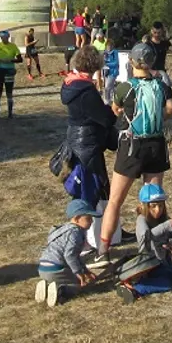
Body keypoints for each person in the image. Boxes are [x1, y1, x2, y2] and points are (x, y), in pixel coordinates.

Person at [95, 42, 172, 264]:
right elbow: (170, 109)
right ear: (152, 62)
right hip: (156, 145)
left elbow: (115, 109)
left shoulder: (125, 87)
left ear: (131, 62)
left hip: (131, 146)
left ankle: (103, 250)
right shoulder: (162, 85)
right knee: (154, 200)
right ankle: (158, 247)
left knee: (115, 201)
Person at [61, 47, 117, 252]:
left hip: (76, 139)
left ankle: (109, 230)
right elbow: (104, 118)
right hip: (87, 143)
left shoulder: (71, 84)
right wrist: (113, 111)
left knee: (93, 187)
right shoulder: (86, 90)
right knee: (90, 190)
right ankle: (84, 238)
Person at [115, 184, 172, 303]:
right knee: (171, 284)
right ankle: (135, 288)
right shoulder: (142, 220)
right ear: (144, 206)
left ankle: (143, 285)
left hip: (165, 264)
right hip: (150, 266)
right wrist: (167, 225)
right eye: (153, 206)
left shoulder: (165, 220)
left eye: (160, 205)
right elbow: (147, 236)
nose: (158, 210)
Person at [35, 199, 100, 308]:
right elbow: (70, 255)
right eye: (88, 218)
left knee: (64, 279)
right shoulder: (75, 233)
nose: (92, 221)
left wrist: (86, 271)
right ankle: (61, 291)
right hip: (56, 269)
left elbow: (76, 256)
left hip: (43, 268)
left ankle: (47, 286)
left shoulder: (62, 230)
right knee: (77, 285)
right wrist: (79, 273)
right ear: (77, 219)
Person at [0, 30, 23, 119]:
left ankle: (10, 114)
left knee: (9, 91)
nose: (3, 39)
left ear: (8, 37)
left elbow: (20, 59)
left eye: (5, 37)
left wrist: (11, 60)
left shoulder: (13, 46)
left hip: (9, 70)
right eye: (2, 37)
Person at [146, 22, 172, 86]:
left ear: (162, 32)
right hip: (151, 74)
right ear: (151, 31)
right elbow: (140, 61)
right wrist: (150, 71)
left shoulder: (164, 44)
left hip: (162, 74)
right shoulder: (147, 45)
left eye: (159, 33)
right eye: (155, 32)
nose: (156, 35)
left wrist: (170, 38)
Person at [102, 39, 120, 105]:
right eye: (107, 46)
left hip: (113, 72)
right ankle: (115, 100)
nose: (108, 47)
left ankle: (106, 101)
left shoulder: (115, 52)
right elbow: (103, 61)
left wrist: (107, 64)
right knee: (111, 87)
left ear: (112, 46)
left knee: (107, 87)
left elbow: (116, 63)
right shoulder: (105, 52)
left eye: (110, 46)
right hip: (106, 72)